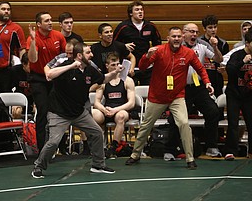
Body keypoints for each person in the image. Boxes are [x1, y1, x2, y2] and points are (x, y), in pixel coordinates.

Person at [125, 26, 213, 170]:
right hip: (157, 96)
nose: (177, 39)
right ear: (168, 38)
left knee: (184, 124)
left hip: (177, 96)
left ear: (182, 38)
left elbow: (200, 69)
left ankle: (190, 158)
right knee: (146, 125)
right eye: (174, 36)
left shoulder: (189, 53)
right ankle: (135, 155)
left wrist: (207, 82)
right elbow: (142, 67)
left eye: (179, 36)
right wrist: (146, 56)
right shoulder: (158, 50)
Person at [31, 43, 123, 178]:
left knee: (97, 132)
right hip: (59, 112)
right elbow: (49, 75)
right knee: (53, 142)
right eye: (88, 53)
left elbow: (102, 79)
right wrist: (71, 66)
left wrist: (114, 73)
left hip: (78, 112)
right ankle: (38, 166)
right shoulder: (66, 65)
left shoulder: (90, 69)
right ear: (79, 56)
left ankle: (98, 165)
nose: (91, 55)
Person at [163, 23, 223, 161]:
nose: (194, 34)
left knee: (213, 111)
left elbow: (218, 59)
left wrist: (214, 47)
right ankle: (170, 150)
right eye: (191, 32)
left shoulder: (202, 46)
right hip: (181, 88)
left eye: (196, 32)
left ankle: (211, 147)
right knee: (175, 118)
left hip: (198, 87)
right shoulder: (177, 46)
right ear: (184, 34)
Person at [27, 11, 66, 153]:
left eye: (51, 20)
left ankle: (61, 147)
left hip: (55, 78)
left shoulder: (58, 36)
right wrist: (32, 41)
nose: (50, 22)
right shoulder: (33, 37)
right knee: (43, 111)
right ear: (39, 24)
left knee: (59, 112)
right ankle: (42, 149)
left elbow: (65, 56)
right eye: (46, 21)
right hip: (38, 79)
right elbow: (32, 59)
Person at [92, 52, 135, 158]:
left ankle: (113, 147)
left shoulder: (127, 81)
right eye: (113, 65)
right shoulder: (103, 81)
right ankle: (96, 146)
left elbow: (131, 103)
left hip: (121, 110)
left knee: (120, 116)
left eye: (118, 64)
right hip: (106, 110)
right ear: (107, 66)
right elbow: (96, 101)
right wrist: (104, 109)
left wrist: (115, 110)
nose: (117, 67)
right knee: (92, 113)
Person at [113, 0, 161, 85]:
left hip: (147, 66)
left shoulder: (150, 26)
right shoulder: (123, 27)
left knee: (147, 90)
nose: (140, 12)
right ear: (131, 13)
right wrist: (124, 46)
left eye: (141, 9)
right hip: (129, 67)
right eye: (137, 10)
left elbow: (158, 44)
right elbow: (113, 43)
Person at [224, 30, 252, 161]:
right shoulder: (237, 54)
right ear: (247, 43)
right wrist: (243, 61)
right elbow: (229, 70)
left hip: (249, 95)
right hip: (234, 94)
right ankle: (230, 151)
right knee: (233, 123)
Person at [199, 15, 229, 100]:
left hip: (217, 79)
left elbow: (225, 61)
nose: (213, 30)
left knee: (218, 108)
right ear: (204, 29)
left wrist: (224, 68)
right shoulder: (198, 42)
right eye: (210, 27)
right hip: (202, 78)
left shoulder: (223, 43)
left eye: (215, 27)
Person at [10, 52, 34, 119]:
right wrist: (15, 102)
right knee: (16, 111)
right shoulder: (14, 71)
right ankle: (18, 129)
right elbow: (10, 88)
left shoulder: (37, 71)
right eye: (30, 65)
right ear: (23, 64)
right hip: (19, 99)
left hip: (34, 99)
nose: (32, 68)